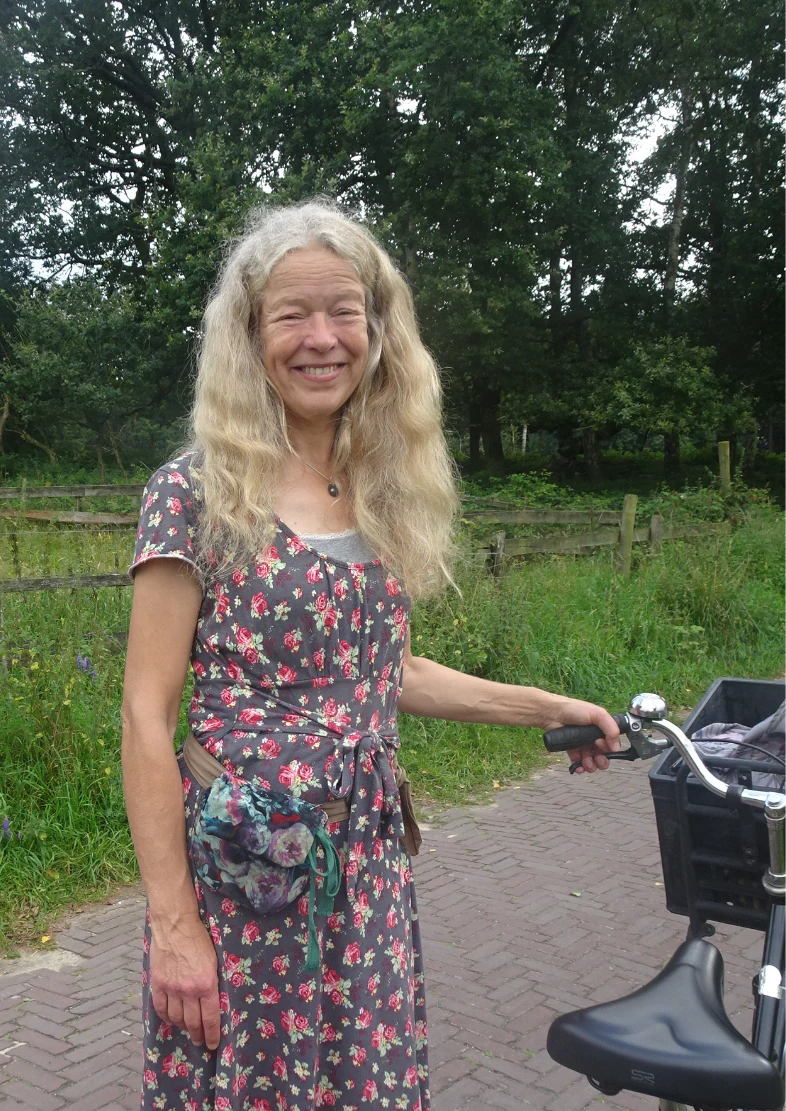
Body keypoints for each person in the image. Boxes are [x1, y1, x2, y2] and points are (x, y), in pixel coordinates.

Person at [122, 198, 620, 1111]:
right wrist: (174, 924)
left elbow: (391, 674)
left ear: (377, 328)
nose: (322, 338)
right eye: (291, 315)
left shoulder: (382, 484)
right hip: (247, 875)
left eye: (343, 311)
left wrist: (549, 707)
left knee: (365, 1081)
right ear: (250, 335)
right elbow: (145, 715)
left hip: (368, 862)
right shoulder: (195, 492)